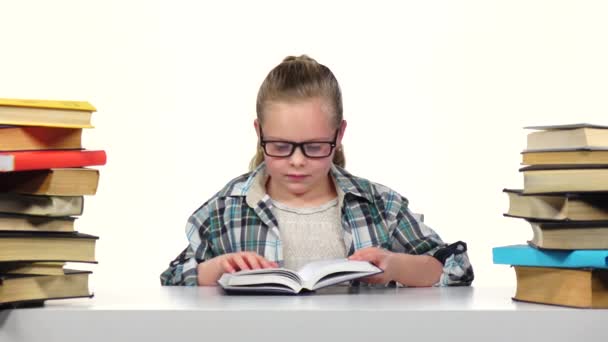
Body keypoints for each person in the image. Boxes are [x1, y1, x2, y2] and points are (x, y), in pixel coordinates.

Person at [160, 55, 473, 287]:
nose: (297, 161)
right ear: (259, 133)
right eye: (281, 146)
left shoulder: (380, 207)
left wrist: (396, 266)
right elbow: (172, 278)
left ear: (338, 136)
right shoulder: (227, 209)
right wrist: (214, 270)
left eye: (314, 146)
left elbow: (457, 268)